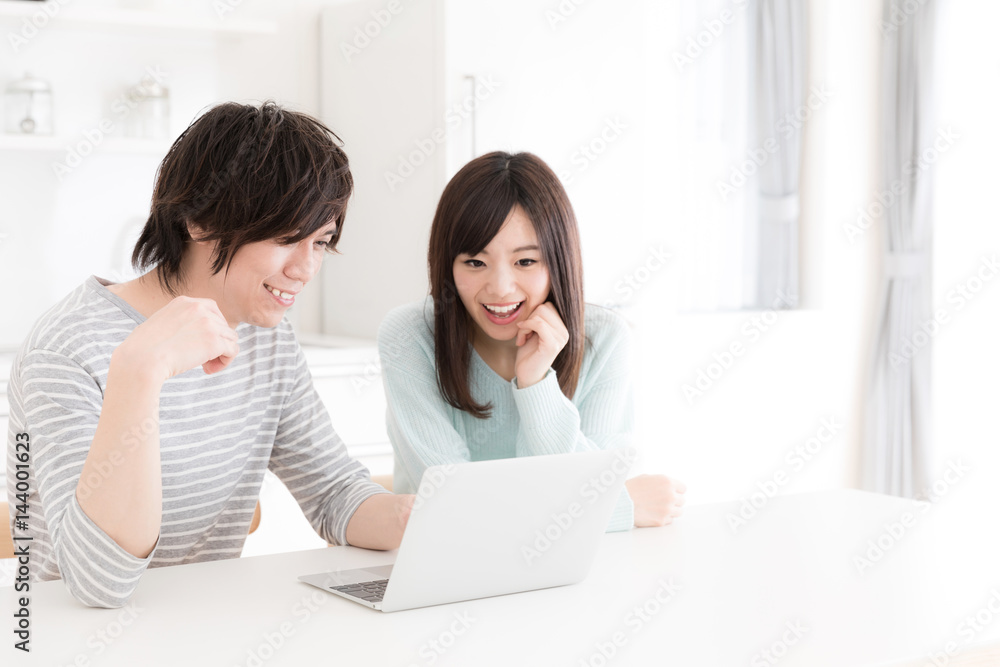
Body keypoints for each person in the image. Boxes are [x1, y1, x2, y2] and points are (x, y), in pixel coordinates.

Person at [6, 101, 412, 609]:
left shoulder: (268, 340)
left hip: (204, 630)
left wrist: (409, 517)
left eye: (321, 243)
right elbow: (98, 583)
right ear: (200, 220)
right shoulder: (67, 348)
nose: (306, 269)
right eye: (288, 239)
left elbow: (333, 492)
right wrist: (141, 371)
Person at [377, 151, 685, 531]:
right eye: (475, 262)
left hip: (570, 573)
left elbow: (594, 486)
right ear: (447, 265)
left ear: (559, 261)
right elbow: (452, 507)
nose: (501, 288)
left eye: (526, 262)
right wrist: (618, 509)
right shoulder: (410, 336)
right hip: (447, 571)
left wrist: (537, 383)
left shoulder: (603, 339)